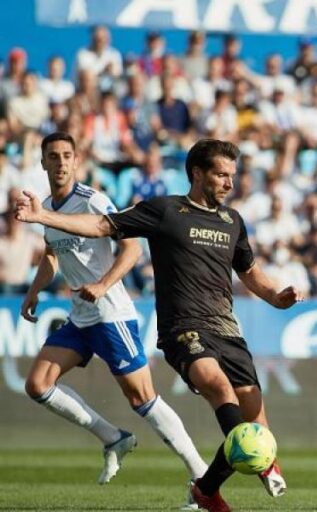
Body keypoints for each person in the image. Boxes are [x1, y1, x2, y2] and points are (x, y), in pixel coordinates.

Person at [16, 139, 302, 512]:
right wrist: (44, 217)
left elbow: (249, 272)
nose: (229, 183)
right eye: (221, 175)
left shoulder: (233, 221)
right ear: (197, 173)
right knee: (217, 387)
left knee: (255, 418)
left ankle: (208, 488)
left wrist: (276, 297)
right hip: (183, 328)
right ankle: (241, 459)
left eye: (232, 176)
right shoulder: (166, 210)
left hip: (226, 329)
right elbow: (104, 226)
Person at [20, 132, 207, 495]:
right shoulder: (45, 207)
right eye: (53, 157)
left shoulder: (93, 201)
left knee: (142, 398)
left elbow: (133, 250)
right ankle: (113, 438)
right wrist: (33, 290)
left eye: (66, 156)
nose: (60, 163)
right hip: (81, 317)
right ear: (43, 163)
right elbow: (52, 253)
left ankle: (200, 473)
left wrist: (104, 285)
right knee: (38, 385)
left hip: (111, 314)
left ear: (77, 161)